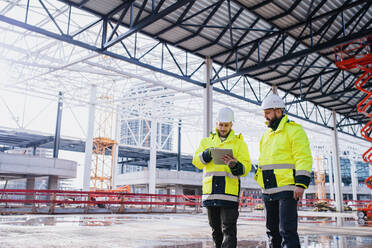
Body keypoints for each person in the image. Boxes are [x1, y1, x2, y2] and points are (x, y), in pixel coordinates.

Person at [255, 93, 312, 248]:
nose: (265, 116)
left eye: (267, 112)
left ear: (278, 111)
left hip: (287, 188)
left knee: (287, 231)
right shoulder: (266, 135)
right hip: (268, 189)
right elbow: (263, 161)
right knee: (271, 232)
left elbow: (303, 157)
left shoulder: (294, 130)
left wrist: (301, 183)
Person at [192, 107, 251, 248]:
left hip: (228, 194)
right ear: (216, 123)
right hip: (211, 194)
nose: (223, 128)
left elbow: (246, 167)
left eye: (226, 125)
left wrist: (235, 165)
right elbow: (196, 162)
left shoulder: (239, 143)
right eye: (221, 125)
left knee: (229, 230)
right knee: (215, 231)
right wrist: (206, 154)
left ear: (231, 125)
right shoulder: (206, 142)